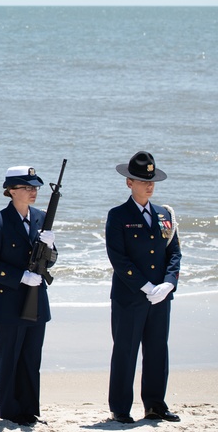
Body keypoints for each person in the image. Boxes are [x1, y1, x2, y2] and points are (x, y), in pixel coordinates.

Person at [106, 151, 182, 424]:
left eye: (151, 180)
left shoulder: (165, 214)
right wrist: (146, 286)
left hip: (160, 297)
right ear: (129, 183)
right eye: (142, 180)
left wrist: (167, 284)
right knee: (126, 351)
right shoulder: (118, 215)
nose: (149, 185)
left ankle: (155, 405)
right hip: (130, 296)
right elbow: (118, 257)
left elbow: (174, 253)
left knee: (158, 350)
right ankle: (121, 408)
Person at [0, 166, 58, 426]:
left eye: (35, 187)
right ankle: (11, 411)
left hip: (36, 300)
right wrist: (20, 276)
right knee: (9, 357)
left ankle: (30, 410)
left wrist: (51, 247)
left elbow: (51, 261)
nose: (33, 191)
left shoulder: (41, 218)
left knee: (31, 357)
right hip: (8, 301)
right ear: (11, 191)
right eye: (27, 187)